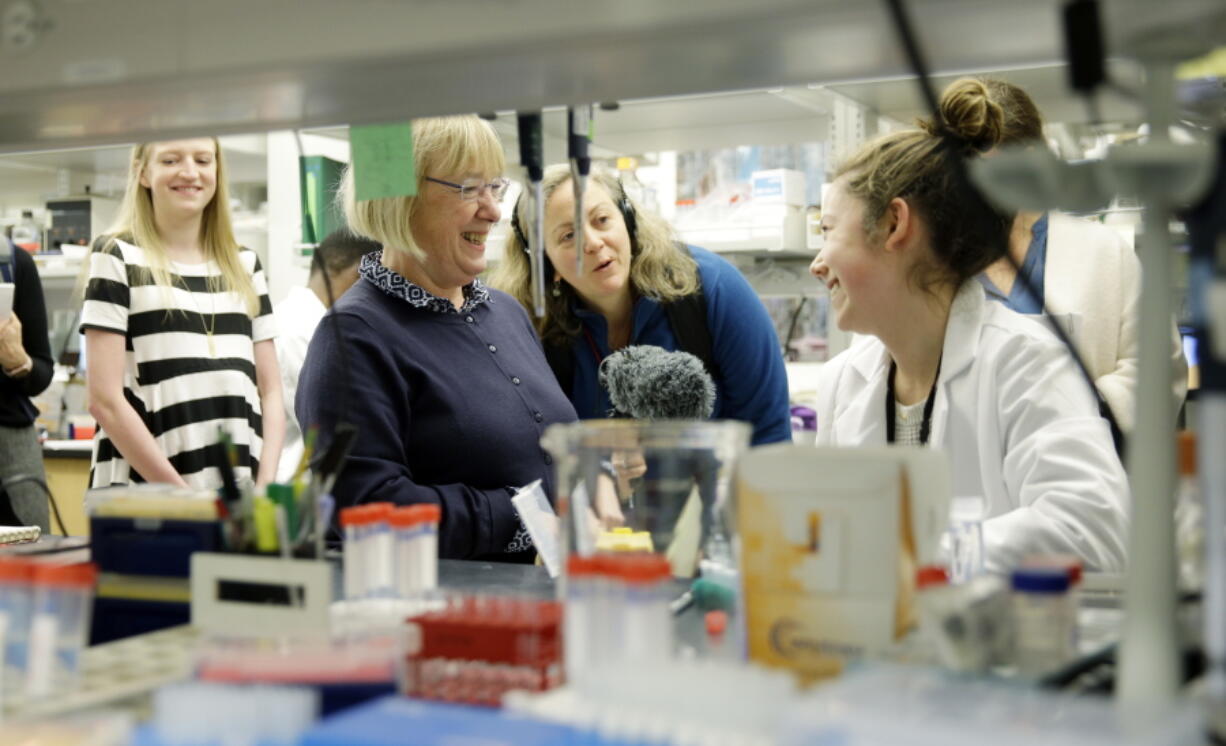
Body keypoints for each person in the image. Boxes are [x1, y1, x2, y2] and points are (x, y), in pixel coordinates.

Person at [811, 79, 1129, 573]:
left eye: (829, 231)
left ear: (895, 225)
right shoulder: (842, 382)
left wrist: (914, 553)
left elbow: (1094, 529)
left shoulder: (1026, 361)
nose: (817, 263)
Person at [295, 115, 577, 562]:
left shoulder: (505, 312)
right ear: (399, 199)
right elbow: (367, 508)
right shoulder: (352, 337)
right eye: (469, 188)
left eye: (495, 187)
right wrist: (524, 514)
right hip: (446, 612)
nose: (493, 211)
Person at [491, 165, 791, 446]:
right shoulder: (530, 331)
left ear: (628, 221)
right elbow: (531, 457)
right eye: (568, 236)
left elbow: (768, 435)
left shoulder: (713, 287)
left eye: (601, 220)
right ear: (546, 263)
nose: (593, 242)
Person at [972, 76, 1187, 432]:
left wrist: (1084, 415)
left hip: (1086, 459)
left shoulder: (1103, 252)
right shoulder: (939, 258)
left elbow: (1161, 369)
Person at [81, 138, 283, 491]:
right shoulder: (117, 256)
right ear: (143, 173)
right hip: (145, 496)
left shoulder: (244, 264)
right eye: (171, 160)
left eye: (203, 160)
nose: (190, 172)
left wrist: (265, 486)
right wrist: (181, 497)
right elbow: (104, 400)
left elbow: (271, 391)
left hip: (237, 493)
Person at [273, 229, 376, 483]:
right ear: (341, 266)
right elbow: (335, 418)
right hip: (296, 484)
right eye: (367, 278)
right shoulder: (298, 327)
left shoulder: (319, 323)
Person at [0, 237, 53, 530]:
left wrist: (18, 361)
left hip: (10, 444)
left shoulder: (11, 261)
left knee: (34, 553)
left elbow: (42, 371)